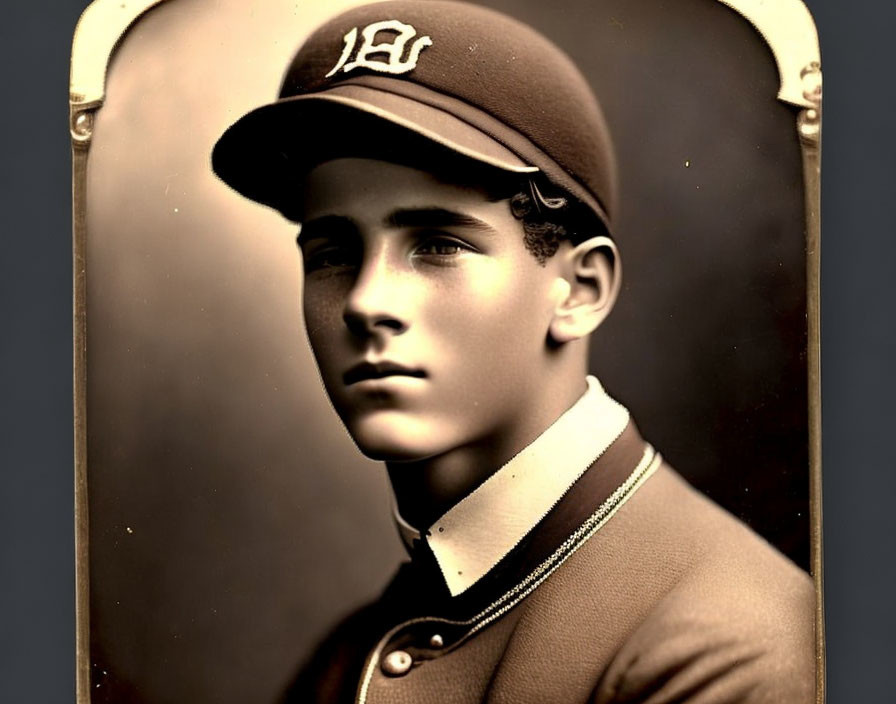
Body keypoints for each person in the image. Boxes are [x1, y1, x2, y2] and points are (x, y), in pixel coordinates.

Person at [211, 2, 815, 702]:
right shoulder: (352, 655)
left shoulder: (727, 654)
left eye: (438, 244)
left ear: (579, 289)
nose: (366, 301)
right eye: (333, 252)